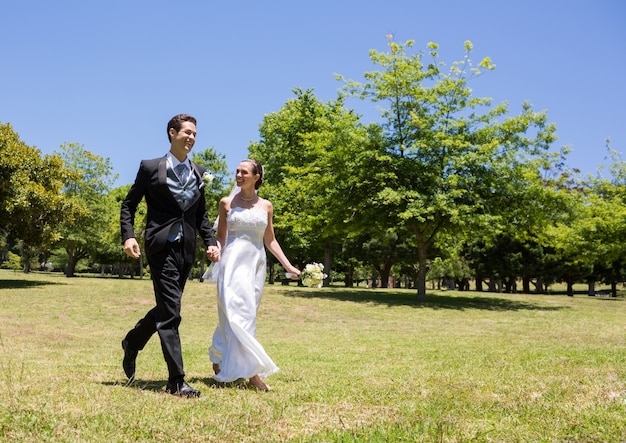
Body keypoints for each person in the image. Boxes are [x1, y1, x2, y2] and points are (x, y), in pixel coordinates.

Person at [120, 113, 221, 398]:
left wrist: (210, 242)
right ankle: (176, 380)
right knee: (172, 314)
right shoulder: (151, 167)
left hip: (186, 248)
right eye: (186, 132)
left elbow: (200, 216)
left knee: (168, 307)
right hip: (161, 246)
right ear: (172, 133)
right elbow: (128, 205)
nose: (191, 138)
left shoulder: (199, 172)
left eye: (194, 134)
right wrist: (128, 236)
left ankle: (133, 340)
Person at [209, 158, 300, 391]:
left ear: (256, 177)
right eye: (237, 171)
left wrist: (288, 266)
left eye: (244, 172)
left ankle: (219, 355)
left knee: (245, 314)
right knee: (236, 313)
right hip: (231, 265)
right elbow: (221, 236)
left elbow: (270, 240)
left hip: (255, 265)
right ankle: (253, 375)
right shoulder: (226, 203)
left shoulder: (266, 206)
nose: (238, 175)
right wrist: (215, 250)